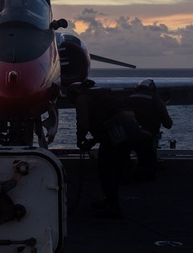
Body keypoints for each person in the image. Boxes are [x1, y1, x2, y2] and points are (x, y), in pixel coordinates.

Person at [73, 80, 135, 218]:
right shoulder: (104, 92)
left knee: (106, 167)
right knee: (117, 163)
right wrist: (93, 141)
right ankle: (111, 200)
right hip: (130, 126)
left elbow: (83, 124)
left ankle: (113, 206)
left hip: (118, 128)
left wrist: (80, 139)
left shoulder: (83, 97)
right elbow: (107, 125)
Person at [126, 79, 172, 181]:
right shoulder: (157, 101)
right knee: (149, 167)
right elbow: (168, 124)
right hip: (146, 137)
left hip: (126, 135)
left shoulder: (127, 99)